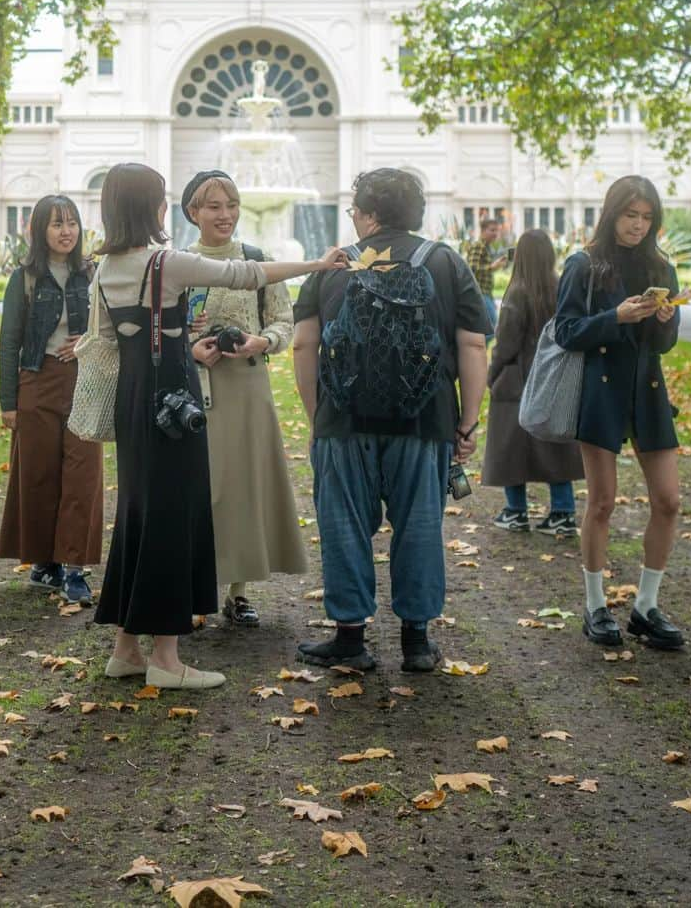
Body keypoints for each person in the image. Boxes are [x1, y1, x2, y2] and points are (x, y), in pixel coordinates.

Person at [92, 163, 345, 690]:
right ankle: (166, 659)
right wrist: (319, 263)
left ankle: (126, 648)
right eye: (162, 199)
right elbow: (246, 275)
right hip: (175, 406)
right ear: (152, 208)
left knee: (137, 519)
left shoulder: (106, 268)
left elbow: (110, 344)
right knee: (171, 522)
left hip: (134, 404)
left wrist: (182, 344)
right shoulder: (165, 263)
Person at [292, 169, 490, 673]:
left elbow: (303, 344)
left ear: (371, 215)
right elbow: (471, 344)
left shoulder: (333, 265)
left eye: (356, 210)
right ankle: (416, 642)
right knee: (419, 526)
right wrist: (466, 423)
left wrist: (318, 418)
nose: (353, 219)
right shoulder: (445, 262)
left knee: (344, 525)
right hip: (424, 420)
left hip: (344, 419)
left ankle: (350, 638)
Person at [554, 176, 683, 651]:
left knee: (668, 500)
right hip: (601, 391)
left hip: (648, 391)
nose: (639, 225)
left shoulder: (660, 267)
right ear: (613, 214)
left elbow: (665, 345)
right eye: (631, 215)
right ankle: (594, 606)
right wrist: (616, 319)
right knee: (602, 502)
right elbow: (565, 331)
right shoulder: (584, 265)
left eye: (647, 217)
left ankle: (646, 607)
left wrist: (667, 321)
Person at [182, 170, 306, 627]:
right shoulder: (179, 264)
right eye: (214, 206)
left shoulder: (258, 261)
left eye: (231, 205)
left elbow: (283, 321)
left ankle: (239, 591)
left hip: (249, 388)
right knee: (203, 489)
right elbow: (166, 331)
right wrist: (190, 350)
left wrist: (262, 342)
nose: (225, 214)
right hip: (197, 389)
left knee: (245, 488)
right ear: (193, 213)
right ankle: (198, 586)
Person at [0, 196, 101, 603]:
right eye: (57, 224)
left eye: (72, 222)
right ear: (40, 230)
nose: (66, 231)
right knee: (38, 474)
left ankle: (76, 568)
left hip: (84, 382)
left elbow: (112, 329)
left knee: (83, 473)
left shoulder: (92, 274)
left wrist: (88, 343)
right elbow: (9, 342)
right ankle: (46, 563)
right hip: (36, 383)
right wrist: (9, 402)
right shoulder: (24, 278)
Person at [482, 228, 584, 534]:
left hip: (518, 379)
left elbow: (506, 343)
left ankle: (516, 510)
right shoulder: (559, 288)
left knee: (511, 446)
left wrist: (493, 373)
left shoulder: (518, 291)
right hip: (554, 378)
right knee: (555, 444)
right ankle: (563, 512)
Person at [464, 217, 507, 336]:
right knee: (491, 327)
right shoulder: (479, 246)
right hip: (480, 293)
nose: (495, 234)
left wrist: (495, 266)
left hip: (485, 293)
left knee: (490, 327)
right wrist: (492, 267)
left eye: (496, 231)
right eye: (492, 230)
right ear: (483, 231)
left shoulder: (484, 247)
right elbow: (471, 268)